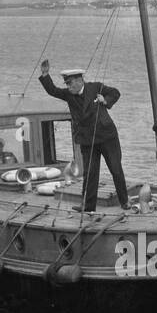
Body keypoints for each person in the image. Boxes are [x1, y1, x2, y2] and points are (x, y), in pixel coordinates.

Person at [38, 59, 130, 212]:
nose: (68, 87)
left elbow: (115, 93)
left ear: (80, 81)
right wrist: (45, 74)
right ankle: (88, 206)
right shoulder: (68, 95)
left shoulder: (95, 87)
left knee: (116, 169)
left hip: (107, 137)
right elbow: (52, 90)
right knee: (90, 173)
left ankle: (124, 202)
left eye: (70, 83)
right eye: (66, 84)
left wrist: (105, 100)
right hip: (87, 140)